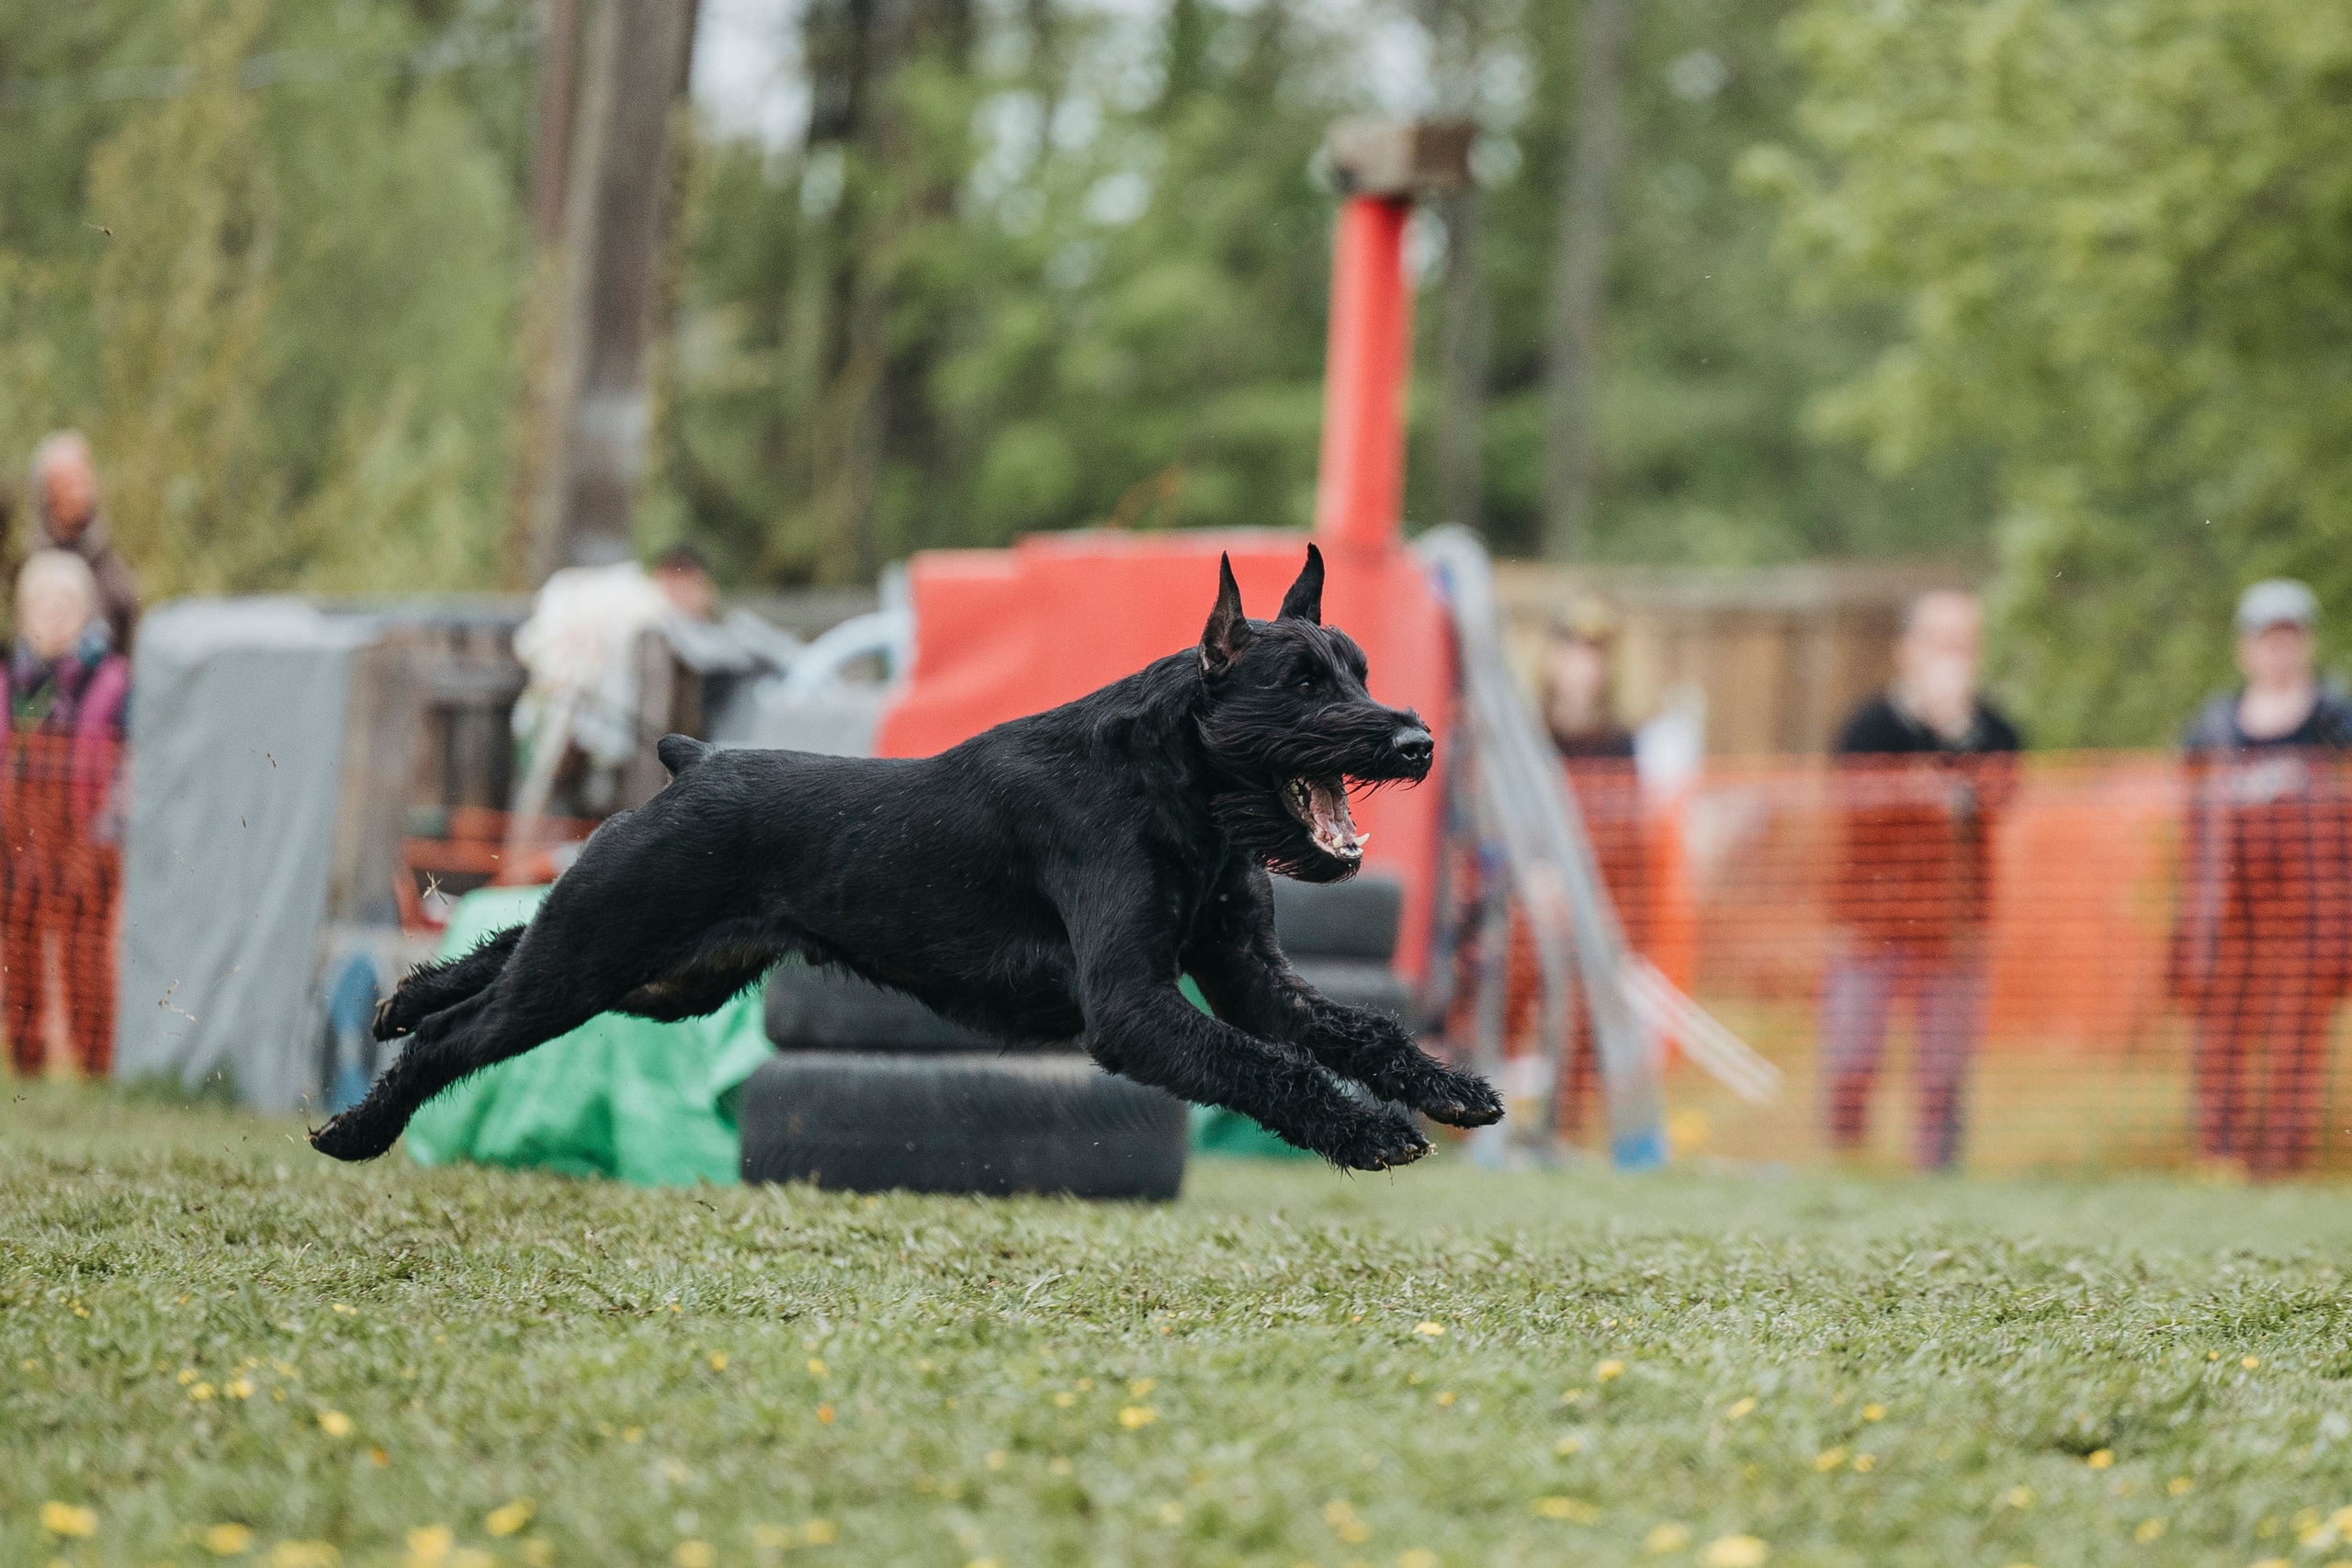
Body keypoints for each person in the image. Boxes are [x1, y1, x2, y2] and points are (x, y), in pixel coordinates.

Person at [1821, 589, 2021, 1169]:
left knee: (1942, 1073)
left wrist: (1957, 734)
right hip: (1870, 926)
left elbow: (2001, 800)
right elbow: (1857, 805)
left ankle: (1935, 1180)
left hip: (1955, 929)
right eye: (1939, 641)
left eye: (1963, 643)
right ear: (1906, 649)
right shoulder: (1868, 724)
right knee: (1851, 1060)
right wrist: (1930, 788)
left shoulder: (1993, 730)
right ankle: (1844, 1169)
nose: (1952, 655)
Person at [2170, 580, 2352, 1179]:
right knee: (2220, 1035)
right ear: (2246, 647)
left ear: (2307, 643)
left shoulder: (2336, 720)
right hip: (2229, 912)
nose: (2279, 651)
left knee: (2299, 1037)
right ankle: (2218, 1153)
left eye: (2290, 638)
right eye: (2267, 638)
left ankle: (2282, 1162)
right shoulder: (2214, 726)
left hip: (2309, 911)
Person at [2, 550, 131, 1078]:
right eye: (41, 603)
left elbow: (131, 762)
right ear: (22, 613)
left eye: (65, 603)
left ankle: (95, 1067)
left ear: (85, 613)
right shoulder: (10, 683)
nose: (53, 614)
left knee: (86, 955)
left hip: (84, 836)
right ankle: (24, 1065)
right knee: (21, 952)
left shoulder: (114, 681)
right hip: (16, 837)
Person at [26, 432, 140, 654]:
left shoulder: (106, 556)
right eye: (68, 484)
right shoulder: (39, 567)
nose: (79, 493)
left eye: (83, 480)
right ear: (48, 494)